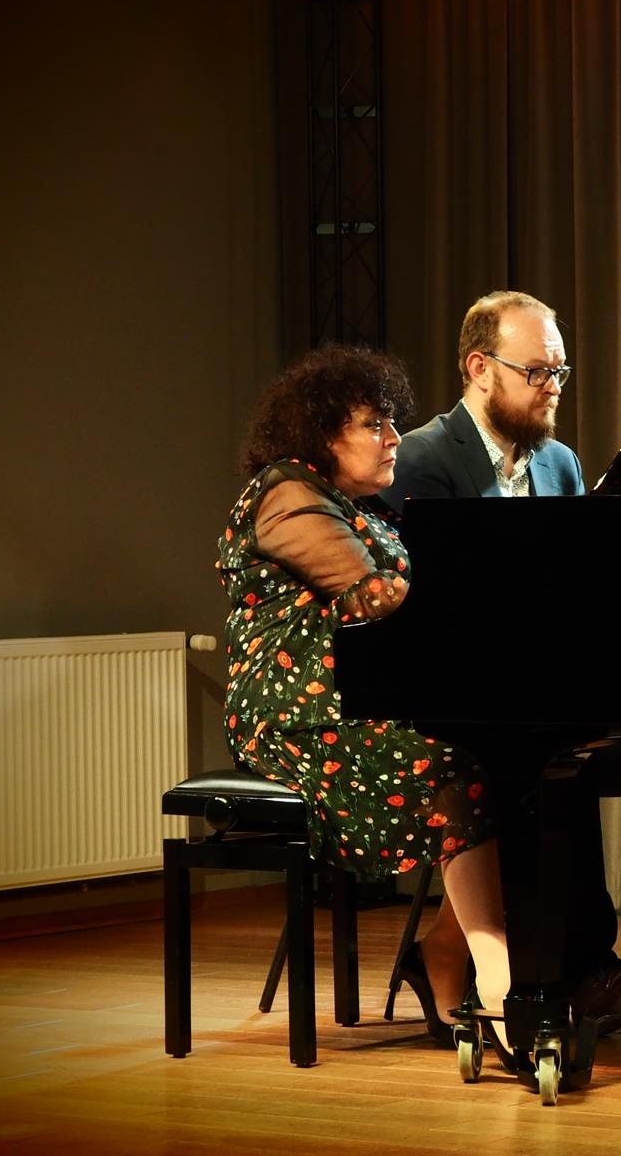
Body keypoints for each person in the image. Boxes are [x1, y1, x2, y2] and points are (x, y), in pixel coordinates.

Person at [380, 289, 621, 1012]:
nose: (552, 387)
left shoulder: (559, 463)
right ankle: (581, 965)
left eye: (560, 372)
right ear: (480, 368)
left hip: (537, 686)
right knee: (564, 749)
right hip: (456, 699)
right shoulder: (424, 460)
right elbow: (435, 615)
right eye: (536, 371)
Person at [217, 343, 507, 1046]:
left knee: (515, 764)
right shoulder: (286, 493)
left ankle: (449, 953)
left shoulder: (353, 503)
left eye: (392, 421)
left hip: (358, 698)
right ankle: (499, 980)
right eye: (373, 424)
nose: (394, 437)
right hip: (293, 713)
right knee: (453, 763)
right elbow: (373, 596)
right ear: (322, 433)